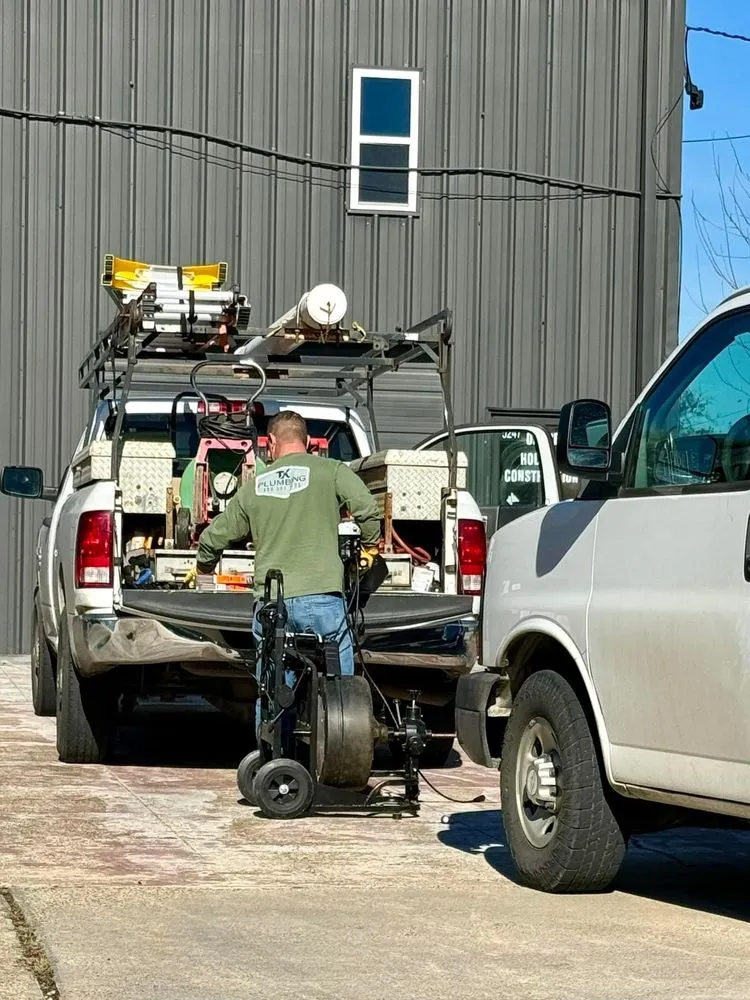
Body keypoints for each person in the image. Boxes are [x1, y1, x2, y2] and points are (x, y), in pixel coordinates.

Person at [195, 409, 381, 675]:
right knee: (341, 689)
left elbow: (214, 537)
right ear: (307, 442)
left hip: (273, 603)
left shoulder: (254, 486)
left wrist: (203, 567)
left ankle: (273, 715)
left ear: (271, 441)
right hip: (323, 602)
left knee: (274, 695)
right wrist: (370, 548)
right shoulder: (332, 471)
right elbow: (368, 510)